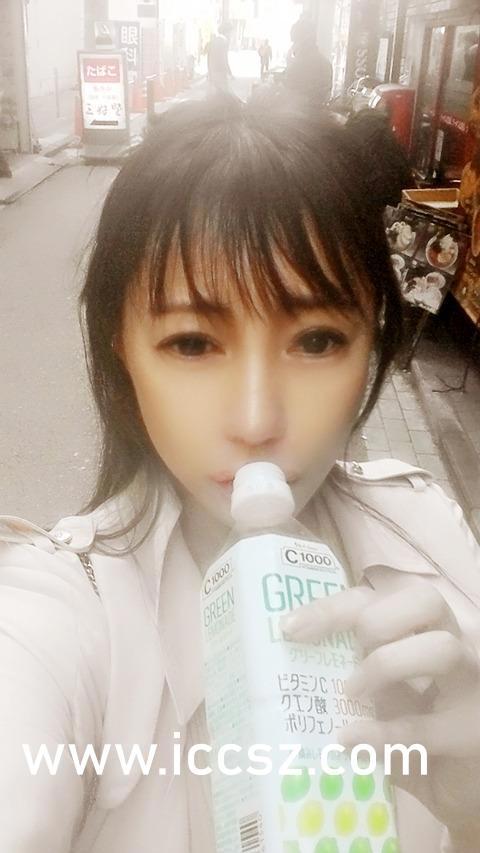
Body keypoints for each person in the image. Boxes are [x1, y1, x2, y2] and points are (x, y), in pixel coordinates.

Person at [1, 94, 480, 853]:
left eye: (317, 340)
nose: (257, 421)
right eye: (193, 343)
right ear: (121, 346)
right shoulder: (63, 614)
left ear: (374, 339)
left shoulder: (433, 539)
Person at [285, 15, 332, 108]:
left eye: (295, 42)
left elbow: (290, 95)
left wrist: (289, 65)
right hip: (320, 111)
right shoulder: (325, 63)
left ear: (304, 41)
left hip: (301, 113)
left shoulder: (299, 65)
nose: (293, 46)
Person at [207, 24, 233, 93]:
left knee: (214, 92)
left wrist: (210, 72)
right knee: (223, 93)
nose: (231, 35)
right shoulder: (224, 41)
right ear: (227, 32)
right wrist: (229, 72)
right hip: (221, 71)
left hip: (213, 71)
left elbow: (209, 57)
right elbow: (224, 58)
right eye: (230, 32)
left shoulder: (213, 41)